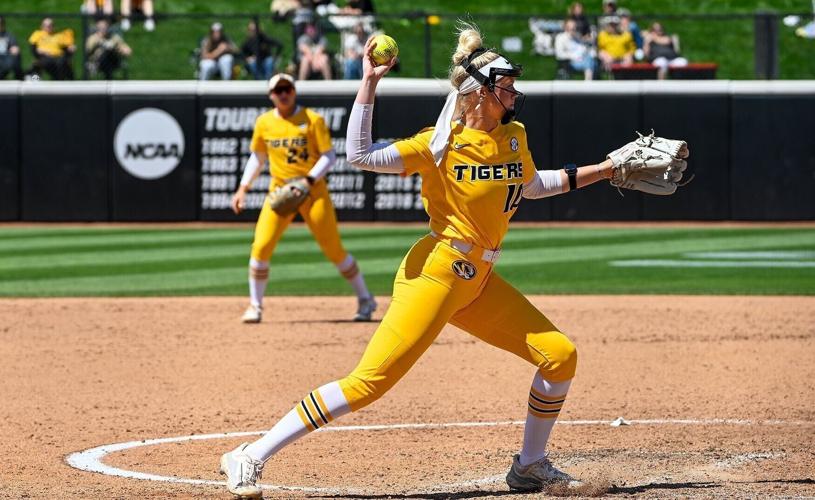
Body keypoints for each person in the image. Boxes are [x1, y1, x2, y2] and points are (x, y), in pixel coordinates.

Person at [218, 22, 687, 498]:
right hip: (437, 271)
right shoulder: (436, 146)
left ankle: (529, 465)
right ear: (479, 92)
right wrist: (369, 82)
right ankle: (250, 455)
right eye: (505, 86)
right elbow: (358, 154)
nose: (513, 93)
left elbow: (531, 186)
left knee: (560, 356)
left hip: (479, 279)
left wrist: (606, 170)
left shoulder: (513, 135)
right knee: (370, 383)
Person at [229, 73, 377, 325]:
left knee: (333, 249)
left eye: (287, 89)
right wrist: (243, 188)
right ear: (271, 96)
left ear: (294, 91)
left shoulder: (312, 119)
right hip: (280, 192)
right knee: (261, 246)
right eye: (278, 91)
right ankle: (255, 305)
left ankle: (366, 299)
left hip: (312, 192)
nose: (284, 94)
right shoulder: (264, 122)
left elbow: (329, 156)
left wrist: (307, 181)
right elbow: (258, 158)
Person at [0, 16, 23, 80]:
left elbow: (14, 47)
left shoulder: (8, 36)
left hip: (5, 58)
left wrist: (14, 49)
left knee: (15, 58)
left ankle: (19, 79)